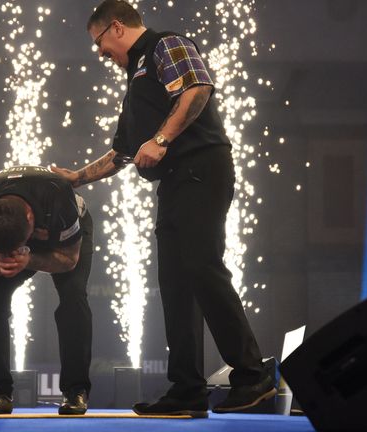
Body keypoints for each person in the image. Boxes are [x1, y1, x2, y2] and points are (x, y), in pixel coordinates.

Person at [51, 0, 275, 418]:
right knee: (174, 282)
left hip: (201, 167)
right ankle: (186, 389)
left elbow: (197, 88)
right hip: (175, 182)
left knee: (202, 265)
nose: (101, 54)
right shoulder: (135, 84)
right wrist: (75, 178)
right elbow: (122, 153)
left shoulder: (164, 45)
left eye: (99, 43)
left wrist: (163, 140)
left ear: (115, 28)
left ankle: (251, 374)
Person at [0, 165, 93, 415]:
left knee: (73, 296)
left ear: (31, 219)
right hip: (18, 229)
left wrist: (30, 259)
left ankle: (75, 391)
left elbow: (68, 261)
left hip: (64, 241)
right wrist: (3, 260)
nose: (13, 253)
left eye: (16, 248)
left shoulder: (59, 201)